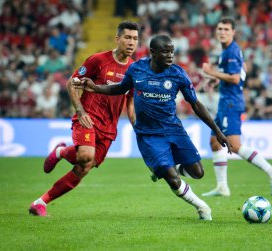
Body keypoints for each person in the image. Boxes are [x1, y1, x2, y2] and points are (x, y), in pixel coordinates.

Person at [74, 34, 231, 220]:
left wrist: (218, 131)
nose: (170, 56)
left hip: (174, 129)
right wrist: (96, 88)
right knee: (172, 178)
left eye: (172, 52)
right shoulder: (136, 69)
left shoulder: (178, 73)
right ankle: (202, 208)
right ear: (153, 53)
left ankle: (162, 170)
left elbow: (196, 104)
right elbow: (120, 88)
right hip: (149, 135)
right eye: (165, 52)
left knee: (198, 173)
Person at [29, 21, 140, 216]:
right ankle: (62, 152)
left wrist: (137, 127)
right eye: (127, 37)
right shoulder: (98, 60)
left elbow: (130, 103)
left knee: (84, 167)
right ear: (117, 39)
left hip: (109, 127)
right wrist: (80, 111)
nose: (132, 42)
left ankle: (41, 201)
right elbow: (72, 83)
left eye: (135, 39)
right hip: (88, 116)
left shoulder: (134, 71)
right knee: (86, 156)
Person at [201, 17, 272, 197]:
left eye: (226, 29)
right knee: (215, 142)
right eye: (220, 29)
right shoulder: (228, 51)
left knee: (234, 145)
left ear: (233, 32)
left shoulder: (231, 51)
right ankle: (222, 187)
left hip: (231, 103)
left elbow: (235, 78)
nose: (222, 32)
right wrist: (217, 80)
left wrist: (211, 73)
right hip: (227, 100)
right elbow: (243, 71)